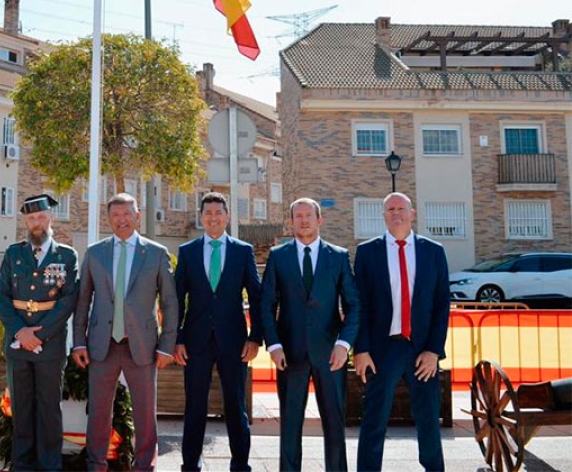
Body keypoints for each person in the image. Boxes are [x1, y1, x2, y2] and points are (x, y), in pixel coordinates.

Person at [73, 192, 178, 472]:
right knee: (98, 412)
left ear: (138, 216)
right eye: (115, 215)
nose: (122, 220)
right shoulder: (95, 253)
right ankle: (96, 465)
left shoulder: (156, 253)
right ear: (109, 219)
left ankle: (144, 466)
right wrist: (78, 343)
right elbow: (83, 300)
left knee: (145, 414)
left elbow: (169, 302)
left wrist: (167, 345)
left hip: (142, 346)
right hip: (101, 345)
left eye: (127, 214)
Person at [261, 197, 359, 472]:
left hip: (331, 356)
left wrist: (344, 344)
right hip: (289, 354)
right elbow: (267, 304)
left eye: (308, 215)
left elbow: (353, 304)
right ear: (291, 222)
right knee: (290, 423)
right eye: (298, 216)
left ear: (319, 220)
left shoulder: (338, 256)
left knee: (334, 423)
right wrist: (274, 345)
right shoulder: (278, 256)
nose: (303, 220)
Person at [354, 192, 450, 472]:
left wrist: (434, 349)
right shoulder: (367, 252)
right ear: (383, 215)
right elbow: (359, 304)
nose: (396, 213)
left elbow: (442, 303)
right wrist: (360, 350)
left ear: (413, 213)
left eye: (401, 208)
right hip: (384, 349)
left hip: (423, 349)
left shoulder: (433, 251)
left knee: (429, 417)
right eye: (390, 209)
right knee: (374, 417)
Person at [174, 192, 263, 472]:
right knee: (195, 406)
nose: (213, 217)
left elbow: (257, 297)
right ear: (201, 217)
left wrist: (255, 337)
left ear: (227, 216)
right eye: (208, 213)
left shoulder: (242, 251)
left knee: (236, 406)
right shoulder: (187, 252)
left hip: (235, 342)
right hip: (196, 341)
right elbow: (176, 299)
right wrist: (176, 339)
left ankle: (240, 464)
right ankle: (190, 462)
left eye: (218, 212)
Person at [0, 193, 80, 471]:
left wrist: (38, 336)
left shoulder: (66, 255)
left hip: (50, 346)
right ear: (26, 221)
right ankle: (23, 465)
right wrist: (21, 332)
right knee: (21, 408)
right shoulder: (13, 253)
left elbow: (68, 300)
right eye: (32, 218)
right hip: (18, 346)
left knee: (49, 409)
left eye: (41, 217)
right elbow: (2, 295)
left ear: (50, 218)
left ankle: (50, 465)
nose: (37, 223)